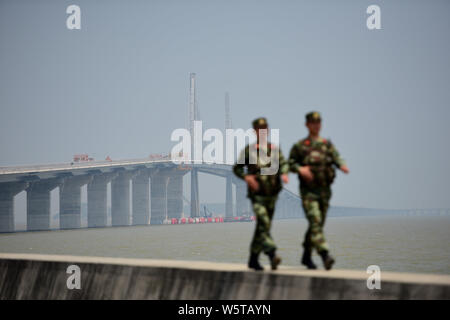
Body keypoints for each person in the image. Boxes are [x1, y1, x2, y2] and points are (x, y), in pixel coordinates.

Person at [288, 111, 349, 270]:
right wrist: (300, 169)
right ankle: (325, 254)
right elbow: (290, 164)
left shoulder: (326, 145)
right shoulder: (300, 146)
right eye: (313, 122)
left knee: (317, 225)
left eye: (318, 122)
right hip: (308, 192)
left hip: (324, 191)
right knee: (315, 220)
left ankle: (306, 256)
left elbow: (336, 157)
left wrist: (342, 165)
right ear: (307, 125)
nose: (316, 125)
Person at [233, 117, 289, 271]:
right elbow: (237, 168)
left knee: (262, 228)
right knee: (263, 223)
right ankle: (272, 255)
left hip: (272, 195)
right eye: (259, 129)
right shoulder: (249, 150)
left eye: (265, 129)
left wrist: (284, 174)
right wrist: (247, 177)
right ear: (254, 131)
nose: (262, 132)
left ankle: (253, 260)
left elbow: (283, 164)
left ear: (268, 130)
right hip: (257, 195)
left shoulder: (274, 149)